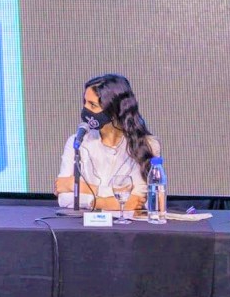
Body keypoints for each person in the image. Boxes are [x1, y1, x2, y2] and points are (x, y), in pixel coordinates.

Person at [55, 73, 160, 210]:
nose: (86, 110)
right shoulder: (77, 142)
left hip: (125, 223)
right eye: (85, 102)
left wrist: (81, 188)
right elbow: (64, 197)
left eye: (92, 105)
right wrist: (111, 198)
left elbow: (138, 200)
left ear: (113, 109)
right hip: (84, 222)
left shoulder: (146, 145)